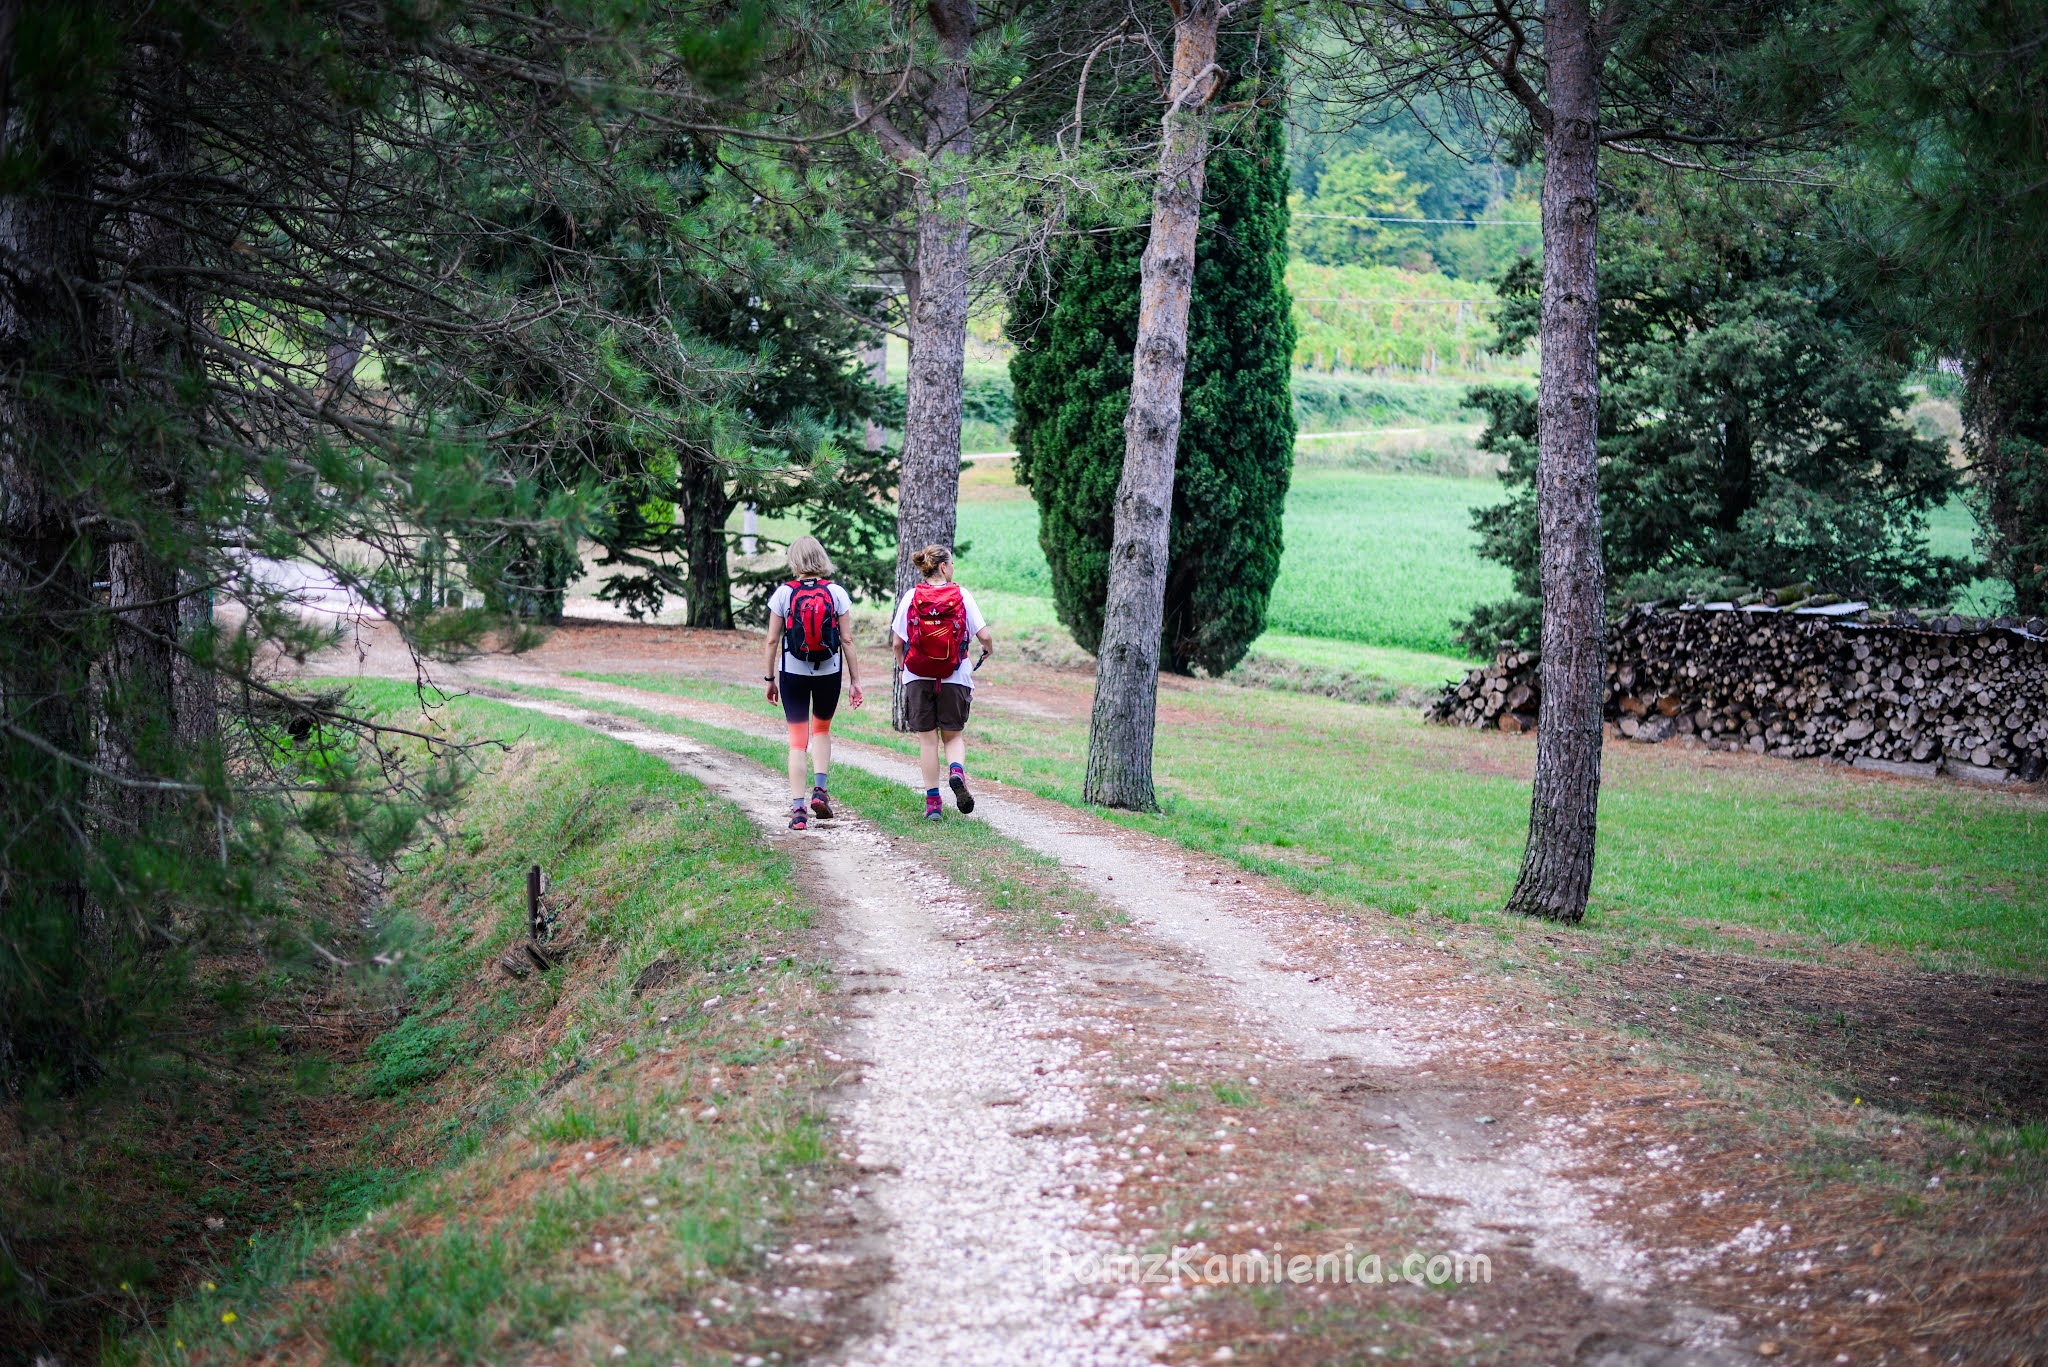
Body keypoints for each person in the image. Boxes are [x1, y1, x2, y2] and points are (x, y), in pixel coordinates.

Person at [764, 536, 863, 830]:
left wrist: (770, 679)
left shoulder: (783, 594)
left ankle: (798, 809)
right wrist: (855, 680)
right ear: (821, 558)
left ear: (794, 561)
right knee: (821, 730)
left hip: (792, 673)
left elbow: (772, 640)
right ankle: (820, 789)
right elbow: (846, 639)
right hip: (829, 672)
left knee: (797, 741)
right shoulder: (836, 592)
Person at [892, 544, 994, 820]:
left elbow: (897, 641)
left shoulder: (912, 596)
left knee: (927, 741)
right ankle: (957, 772)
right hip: (955, 674)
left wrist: (904, 667)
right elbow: (983, 634)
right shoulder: (961, 595)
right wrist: (989, 648)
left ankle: (933, 804)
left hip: (918, 675)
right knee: (953, 735)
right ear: (944, 567)